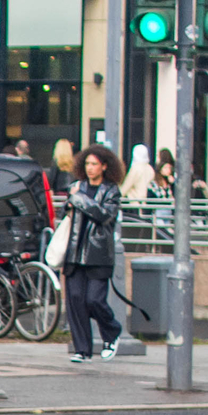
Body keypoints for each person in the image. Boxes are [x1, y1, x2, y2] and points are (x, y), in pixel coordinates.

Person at [61, 144, 125, 362]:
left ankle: (112, 332)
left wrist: (78, 198)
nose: (90, 168)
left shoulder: (111, 190)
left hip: (98, 254)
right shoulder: (76, 186)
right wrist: (71, 201)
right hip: (74, 252)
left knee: (94, 300)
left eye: (94, 164)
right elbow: (67, 213)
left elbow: (105, 215)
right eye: (87, 163)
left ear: (104, 166)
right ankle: (82, 349)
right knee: (76, 300)